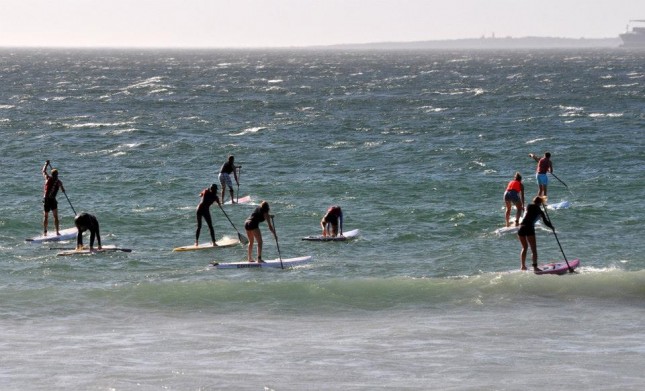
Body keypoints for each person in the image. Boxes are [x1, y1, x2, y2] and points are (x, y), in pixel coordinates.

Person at [517, 196, 554, 272]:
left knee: (524, 248)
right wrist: (552, 227)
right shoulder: (540, 211)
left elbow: (529, 213)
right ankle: (535, 267)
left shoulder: (528, 206)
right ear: (540, 203)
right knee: (534, 249)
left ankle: (523, 266)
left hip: (521, 227)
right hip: (529, 228)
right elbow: (545, 222)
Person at [41, 160, 65, 236]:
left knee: (46, 216)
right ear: (57, 175)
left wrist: (46, 164)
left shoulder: (47, 178)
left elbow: (43, 171)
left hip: (46, 200)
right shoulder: (59, 182)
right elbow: (63, 190)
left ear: (52, 174)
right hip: (52, 200)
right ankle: (57, 232)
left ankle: (45, 232)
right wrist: (62, 189)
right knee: (55, 216)